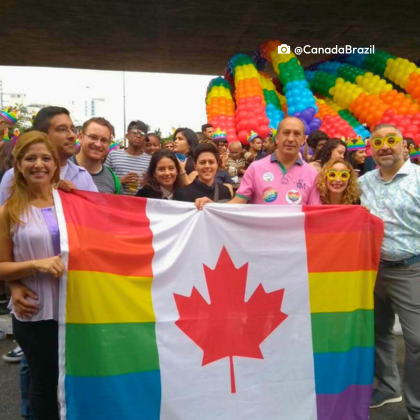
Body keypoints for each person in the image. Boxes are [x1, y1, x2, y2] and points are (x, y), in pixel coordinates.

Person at [0, 131, 65, 420]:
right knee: (44, 383)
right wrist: (33, 267)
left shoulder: (70, 201)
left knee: (74, 378)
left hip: (75, 306)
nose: (38, 164)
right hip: (34, 309)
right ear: (18, 164)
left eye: (45, 158)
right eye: (30, 158)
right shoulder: (8, 211)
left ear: (55, 165)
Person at [359, 124, 420, 420]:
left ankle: (416, 407)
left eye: (391, 141)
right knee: (378, 330)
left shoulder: (419, 179)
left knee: (418, 340)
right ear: (371, 149)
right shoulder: (364, 181)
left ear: (405, 147)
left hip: (412, 269)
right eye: (378, 142)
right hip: (371, 270)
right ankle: (387, 386)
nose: (384, 147)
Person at [196, 117, 321, 209]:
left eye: (297, 134)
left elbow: (316, 214)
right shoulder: (256, 168)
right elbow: (237, 203)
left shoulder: (313, 174)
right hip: (261, 242)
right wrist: (212, 207)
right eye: (286, 133)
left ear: (304, 140)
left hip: (296, 242)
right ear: (277, 138)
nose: (290, 139)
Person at [0, 106, 98, 204]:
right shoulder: (13, 176)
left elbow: (95, 214)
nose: (72, 135)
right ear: (42, 135)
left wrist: (75, 199)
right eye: (62, 129)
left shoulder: (83, 176)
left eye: (73, 129)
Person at [70, 117, 121, 194]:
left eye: (104, 140)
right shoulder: (60, 168)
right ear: (80, 137)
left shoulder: (113, 180)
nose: (98, 144)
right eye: (93, 137)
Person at [104, 120, 151, 195]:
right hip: (117, 203)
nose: (138, 136)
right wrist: (120, 181)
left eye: (142, 134)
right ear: (127, 136)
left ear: (145, 139)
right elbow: (104, 181)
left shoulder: (150, 160)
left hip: (141, 204)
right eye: (135, 132)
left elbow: (156, 186)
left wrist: (148, 184)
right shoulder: (113, 155)